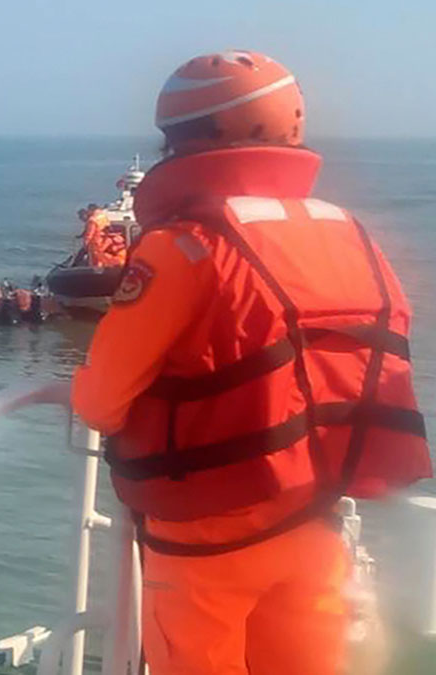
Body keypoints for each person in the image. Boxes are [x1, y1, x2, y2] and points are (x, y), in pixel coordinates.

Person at [63, 50, 430, 674]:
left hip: (206, 542)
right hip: (315, 521)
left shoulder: (183, 247)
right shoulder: (348, 232)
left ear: (183, 141)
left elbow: (101, 402)